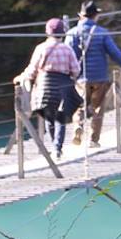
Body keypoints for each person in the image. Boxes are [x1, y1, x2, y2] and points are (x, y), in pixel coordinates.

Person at [68, 0, 121, 148]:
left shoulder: (71, 33)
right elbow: (114, 53)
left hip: (80, 78)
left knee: (80, 106)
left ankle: (78, 125)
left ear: (81, 16)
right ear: (95, 16)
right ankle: (93, 140)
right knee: (98, 108)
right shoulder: (102, 33)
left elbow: (68, 55)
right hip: (99, 77)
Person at [13, 17, 82, 154]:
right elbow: (76, 70)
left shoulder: (41, 48)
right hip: (63, 85)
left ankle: (54, 145)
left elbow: (32, 70)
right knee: (60, 116)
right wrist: (71, 78)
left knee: (48, 115)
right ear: (63, 32)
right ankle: (58, 147)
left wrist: (21, 77)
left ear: (47, 32)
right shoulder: (67, 49)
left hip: (45, 85)